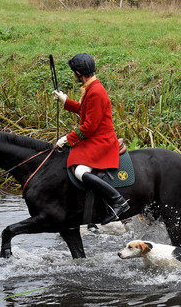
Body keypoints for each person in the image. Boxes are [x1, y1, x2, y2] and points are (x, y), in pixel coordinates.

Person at [52, 53, 129, 224]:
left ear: (78, 73)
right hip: (95, 137)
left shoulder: (95, 91)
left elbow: (88, 128)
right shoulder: (91, 87)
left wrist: (66, 138)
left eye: (74, 73)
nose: (73, 75)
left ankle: (118, 201)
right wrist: (65, 101)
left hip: (101, 141)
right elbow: (85, 110)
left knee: (80, 171)